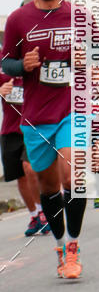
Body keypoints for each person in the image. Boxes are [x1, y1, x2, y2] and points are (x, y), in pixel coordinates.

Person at [1, 0, 87, 278]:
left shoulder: (79, 15)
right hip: (36, 117)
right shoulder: (18, 20)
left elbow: (97, 53)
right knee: (49, 187)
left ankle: (75, 245)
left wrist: (85, 57)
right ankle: (61, 245)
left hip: (72, 109)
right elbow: (5, 63)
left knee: (73, 177)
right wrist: (22, 65)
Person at [0, 72, 47, 236]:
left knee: (30, 168)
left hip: (33, 128)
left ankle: (43, 212)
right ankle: (34, 216)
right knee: (20, 176)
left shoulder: (33, 61)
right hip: (10, 130)